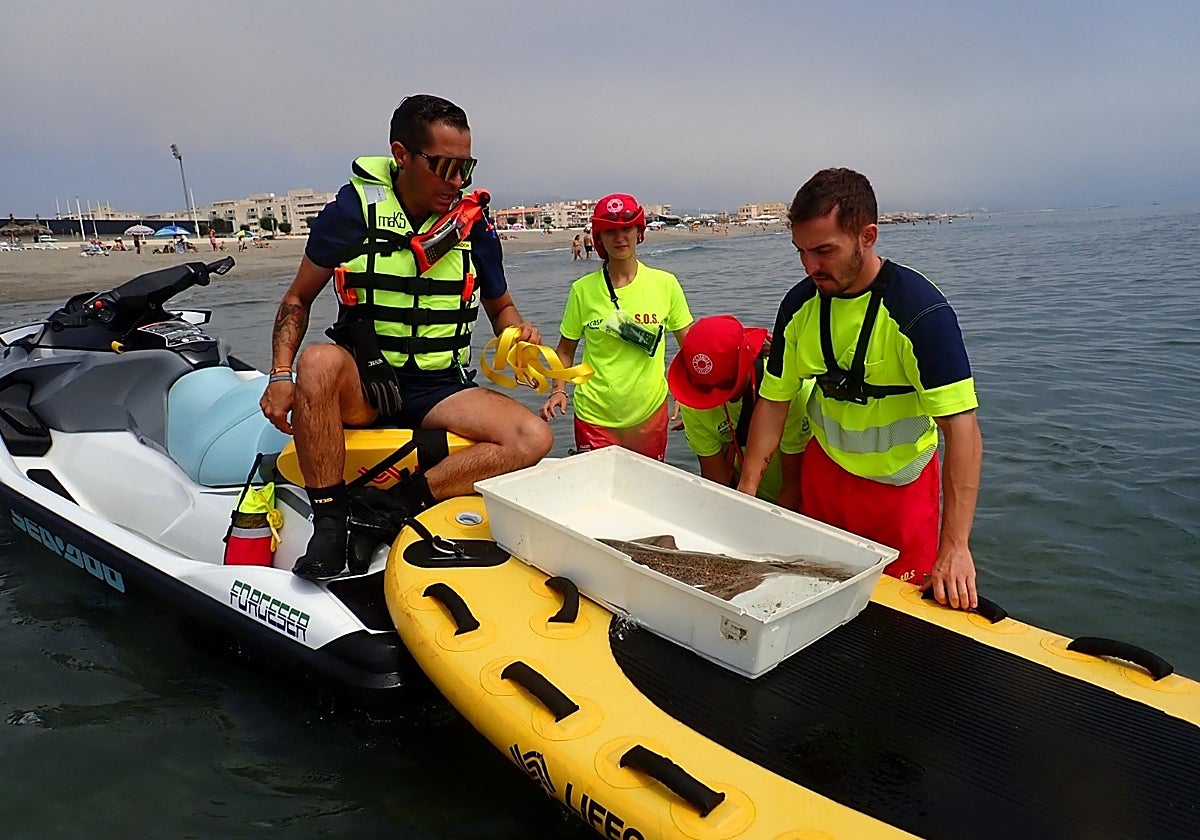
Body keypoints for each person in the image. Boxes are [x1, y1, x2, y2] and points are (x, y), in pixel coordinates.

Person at [260, 94, 552, 580]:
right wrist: (278, 375)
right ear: (401, 155)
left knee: (533, 437)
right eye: (444, 166)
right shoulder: (352, 213)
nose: (456, 182)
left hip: (441, 386)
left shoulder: (473, 226)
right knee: (317, 362)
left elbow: (501, 307)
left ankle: (389, 506)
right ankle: (330, 525)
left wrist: (517, 338)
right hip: (367, 383)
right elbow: (298, 298)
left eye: (466, 168)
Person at [737, 168, 982, 610]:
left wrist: (956, 547)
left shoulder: (920, 313)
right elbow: (774, 402)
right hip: (825, 476)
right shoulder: (799, 306)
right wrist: (746, 493)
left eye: (824, 251)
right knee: (811, 596)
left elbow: (962, 429)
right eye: (801, 252)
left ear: (867, 236)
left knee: (901, 613)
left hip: (901, 488)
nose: (810, 267)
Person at [541, 194, 692, 460]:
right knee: (597, 486)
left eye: (627, 228)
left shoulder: (665, 284)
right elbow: (565, 351)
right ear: (599, 237)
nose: (620, 237)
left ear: (639, 232)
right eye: (610, 231)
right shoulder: (582, 290)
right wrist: (558, 390)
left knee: (643, 485)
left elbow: (689, 347)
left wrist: (686, 396)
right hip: (594, 417)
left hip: (649, 416)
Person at [668, 315, 813, 508]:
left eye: (725, 387)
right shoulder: (692, 400)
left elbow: (793, 486)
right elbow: (715, 481)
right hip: (743, 490)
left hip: (799, 498)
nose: (714, 401)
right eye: (705, 391)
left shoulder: (790, 389)